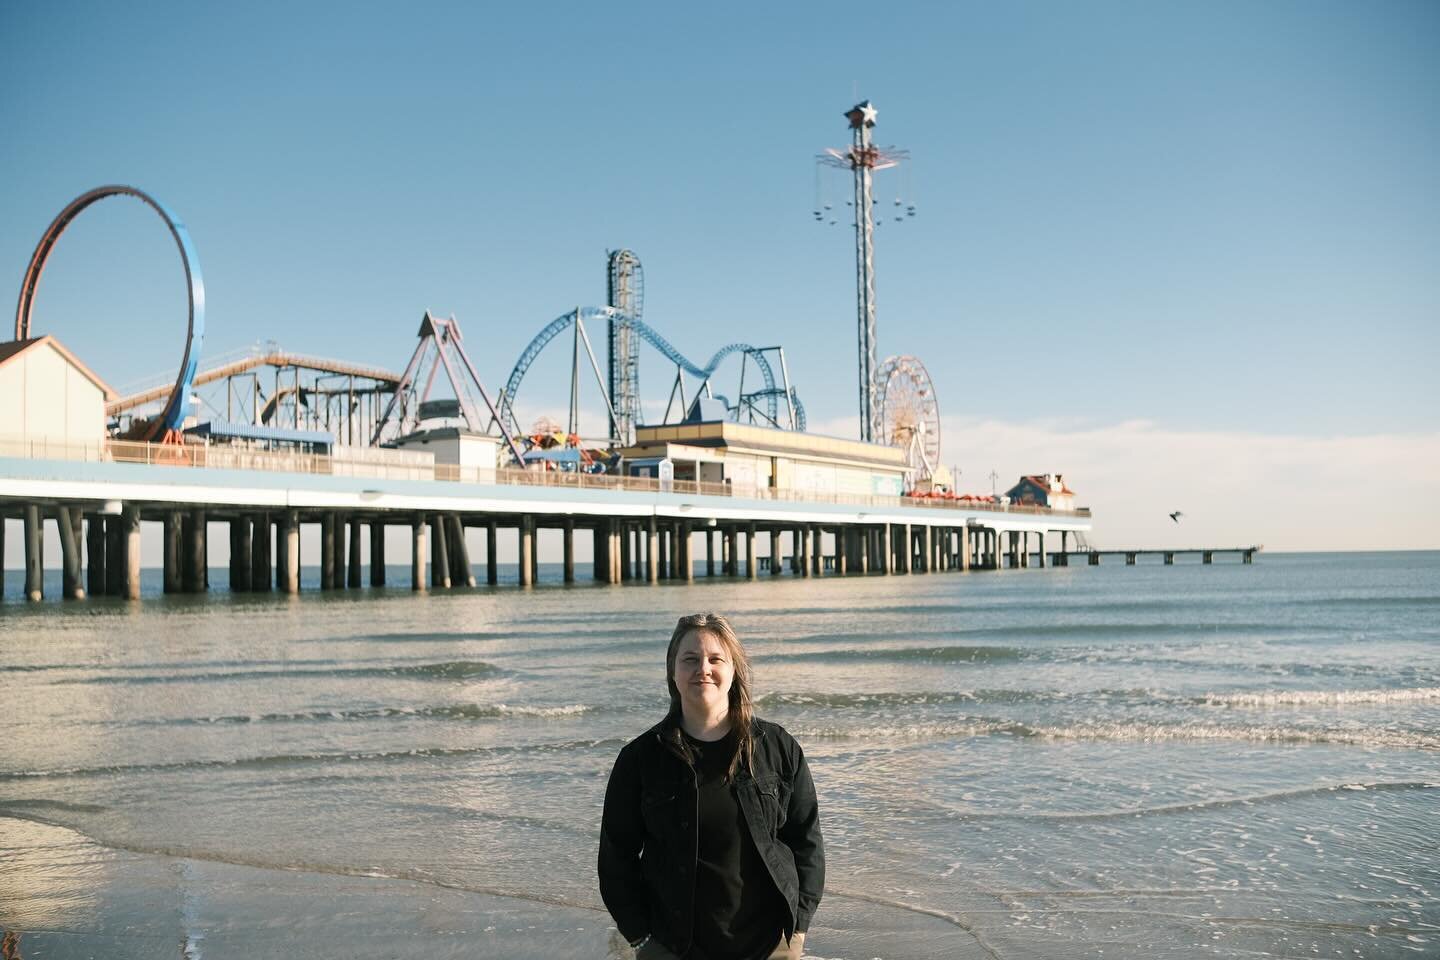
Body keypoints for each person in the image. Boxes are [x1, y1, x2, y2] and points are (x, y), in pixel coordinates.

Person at [598, 613, 824, 960]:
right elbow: (616, 860)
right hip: (675, 947)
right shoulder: (640, 760)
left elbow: (806, 842)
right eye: (690, 659)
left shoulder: (777, 747)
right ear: (673, 672)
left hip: (769, 946)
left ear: (733, 671)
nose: (703, 668)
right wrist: (642, 940)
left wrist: (797, 932)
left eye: (715, 659)